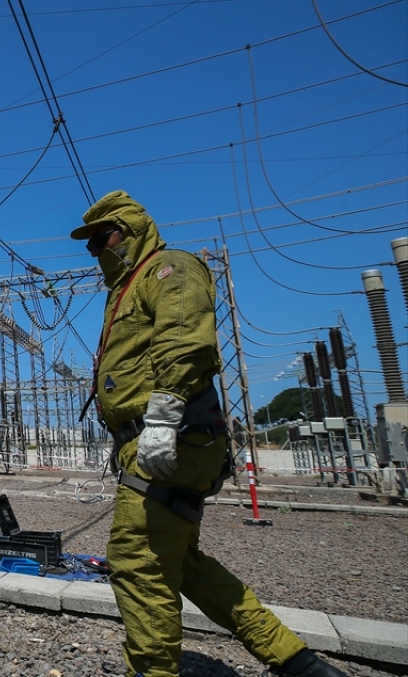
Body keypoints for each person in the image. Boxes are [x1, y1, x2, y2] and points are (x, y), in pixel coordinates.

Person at [72, 191, 345, 677]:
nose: (96, 250)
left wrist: (160, 418)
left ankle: (154, 671)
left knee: (136, 561)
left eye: (102, 238)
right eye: (90, 245)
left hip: (168, 433)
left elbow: (185, 341)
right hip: (162, 436)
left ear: (130, 231)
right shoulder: (127, 287)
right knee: (183, 563)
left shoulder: (168, 269)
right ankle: (297, 662)